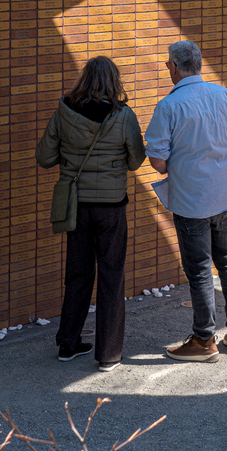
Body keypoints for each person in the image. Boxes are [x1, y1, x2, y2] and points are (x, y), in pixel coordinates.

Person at [36, 56, 145, 372]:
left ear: (84, 78)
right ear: (115, 81)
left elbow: (44, 157)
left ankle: (68, 344)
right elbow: (137, 160)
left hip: (77, 206)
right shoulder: (123, 116)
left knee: (78, 273)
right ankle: (109, 354)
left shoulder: (64, 111)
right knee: (112, 276)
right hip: (111, 207)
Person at [145, 40, 227, 362]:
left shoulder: (169, 106)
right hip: (223, 193)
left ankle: (204, 340)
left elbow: (158, 160)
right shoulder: (224, 94)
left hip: (191, 200)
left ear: (173, 67)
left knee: (200, 269)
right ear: (199, 64)